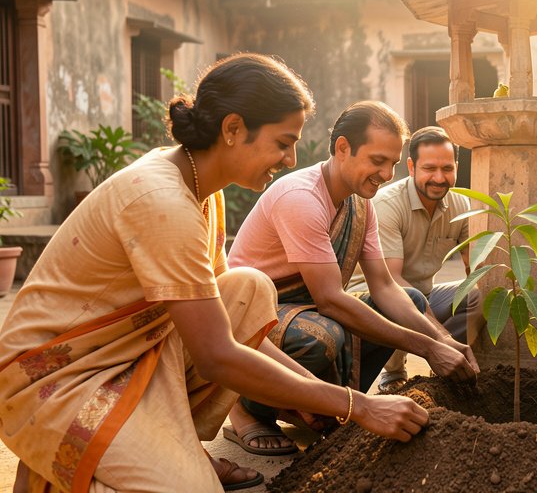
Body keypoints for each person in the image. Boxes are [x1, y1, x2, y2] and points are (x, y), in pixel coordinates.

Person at [0, 54, 429, 492]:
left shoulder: (203, 191)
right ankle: (69, 459)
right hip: (54, 379)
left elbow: (239, 328)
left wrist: (311, 393)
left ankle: (151, 448)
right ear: (232, 130)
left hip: (124, 357)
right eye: (283, 142)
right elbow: (217, 354)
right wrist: (356, 405)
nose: (290, 158)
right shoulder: (162, 201)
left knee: (247, 288)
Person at [226, 100, 479, 455]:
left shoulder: (360, 203)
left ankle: (323, 406)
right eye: (378, 161)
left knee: (413, 302)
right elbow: (330, 299)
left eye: (391, 164)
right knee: (322, 337)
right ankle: (245, 408)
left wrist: (441, 340)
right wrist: (426, 347)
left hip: (310, 308)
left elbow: (386, 286)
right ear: (343, 148)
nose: (388, 175)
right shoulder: (302, 198)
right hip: (256, 316)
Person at [346, 125, 479, 394]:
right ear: (411, 166)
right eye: (430, 168)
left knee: (477, 295)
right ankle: (393, 373)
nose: (439, 178)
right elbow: (391, 281)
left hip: (425, 295)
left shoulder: (461, 205)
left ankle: (452, 371)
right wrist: (441, 338)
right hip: (371, 296)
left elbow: (473, 267)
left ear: (456, 166)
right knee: (406, 297)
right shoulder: (388, 204)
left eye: (447, 169)